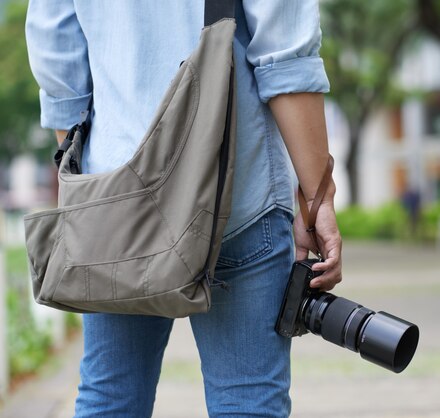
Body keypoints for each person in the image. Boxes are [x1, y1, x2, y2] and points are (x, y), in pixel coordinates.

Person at [25, 1, 342, 416]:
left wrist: (92, 195)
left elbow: (59, 63)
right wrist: (316, 198)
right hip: (235, 197)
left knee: (111, 396)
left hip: (116, 210)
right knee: (247, 400)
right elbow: (285, 52)